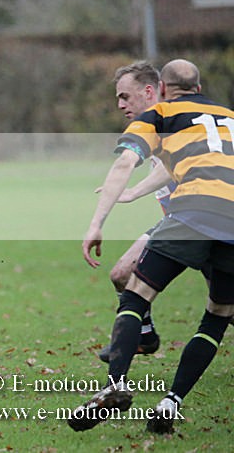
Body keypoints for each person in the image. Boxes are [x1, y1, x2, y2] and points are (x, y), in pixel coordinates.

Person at [69, 59, 234, 434]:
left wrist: (97, 223)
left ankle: (115, 384)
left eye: (124, 97)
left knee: (137, 292)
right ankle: (170, 401)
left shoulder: (161, 114)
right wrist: (136, 194)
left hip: (192, 214)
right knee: (218, 315)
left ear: (159, 89)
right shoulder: (227, 116)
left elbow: (125, 161)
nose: (121, 105)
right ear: (199, 85)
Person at [95, 61, 168, 363]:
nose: (120, 104)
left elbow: (170, 167)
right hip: (174, 220)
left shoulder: (175, 119)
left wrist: (134, 191)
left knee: (225, 309)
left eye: (125, 96)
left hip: (207, 222)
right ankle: (145, 336)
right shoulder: (153, 124)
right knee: (122, 274)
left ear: (149, 91)